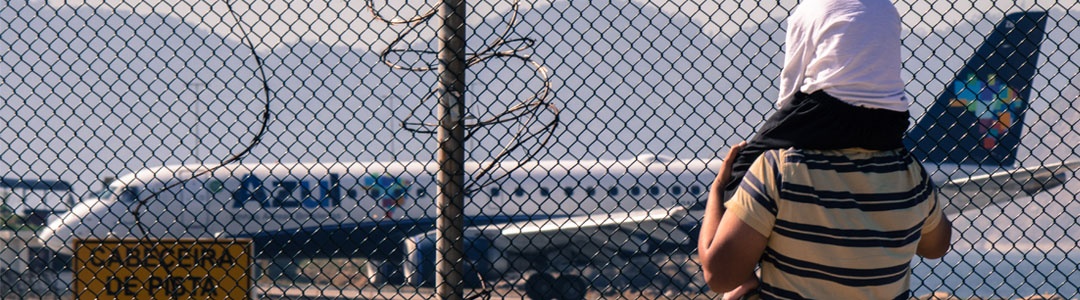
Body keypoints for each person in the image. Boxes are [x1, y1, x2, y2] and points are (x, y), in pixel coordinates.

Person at [699, 0, 954, 298]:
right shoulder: (910, 175)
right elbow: (936, 247)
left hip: (822, 114)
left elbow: (718, 277)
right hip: (885, 121)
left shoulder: (778, 170)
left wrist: (718, 190)